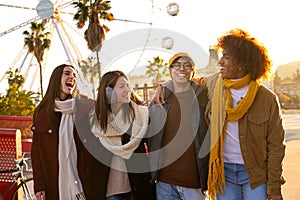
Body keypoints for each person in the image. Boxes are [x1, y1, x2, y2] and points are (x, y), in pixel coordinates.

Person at [154, 29, 286, 200]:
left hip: (255, 174)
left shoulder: (267, 99)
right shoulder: (214, 84)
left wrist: (274, 187)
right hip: (224, 173)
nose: (221, 61)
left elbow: (276, 147)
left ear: (242, 63)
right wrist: (163, 85)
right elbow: (187, 79)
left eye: (226, 57)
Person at [31, 64, 103, 200]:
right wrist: (39, 185)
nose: (72, 77)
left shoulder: (86, 107)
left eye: (75, 75)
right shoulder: (42, 112)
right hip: (54, 182)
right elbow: (36, 152)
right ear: (56, 78)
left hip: (85, 182)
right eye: (67, 73)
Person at [147, 52, 209, 200]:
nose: (182, 69)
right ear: (170, 71)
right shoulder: (159, 100)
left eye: (187, 66)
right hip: (164, 182)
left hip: (194, 183)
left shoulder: (203, 98)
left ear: (192, 72)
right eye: (177, 65)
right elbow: (146, 129)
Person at [89, 70, 155, 200]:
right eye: (121, 86)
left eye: (127, 85)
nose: (127, 90)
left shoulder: (140, 116)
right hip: (110, 190)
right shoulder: (95, 120)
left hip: (139, 187)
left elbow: (155, 147)